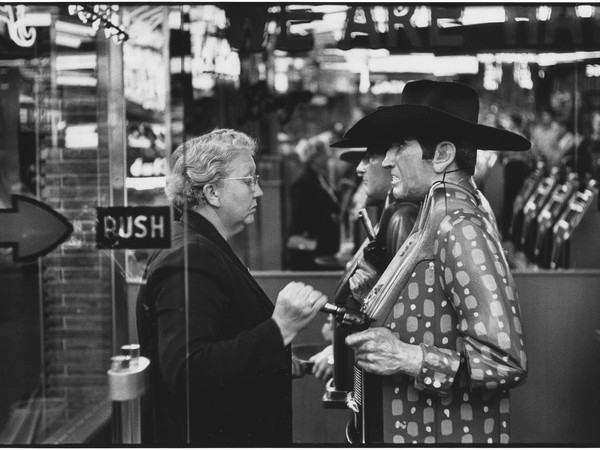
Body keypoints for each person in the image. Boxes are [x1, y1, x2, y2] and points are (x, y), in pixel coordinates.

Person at [339, 80, 529, 444]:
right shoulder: (437, 214)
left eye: (399, 145)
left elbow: (505, 362)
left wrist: (408, 357)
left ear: (442, 155)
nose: (388, 159)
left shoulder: (460, 227)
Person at [136, 129, 328, 445]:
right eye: (249, 180)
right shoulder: (191, 256)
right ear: (212, 192)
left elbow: (224, 338)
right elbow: (189, 370)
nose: (260, 192)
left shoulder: (200, 245)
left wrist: (273, 361)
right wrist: (280, 328)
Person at [286, 136, 341, 270]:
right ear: (314, 158)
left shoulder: (321, 177)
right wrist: (328, 218)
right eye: (324, 155)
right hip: (309, 251)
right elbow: (301, 217)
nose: (328, 159)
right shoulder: (303, 182)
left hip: (321, 247)